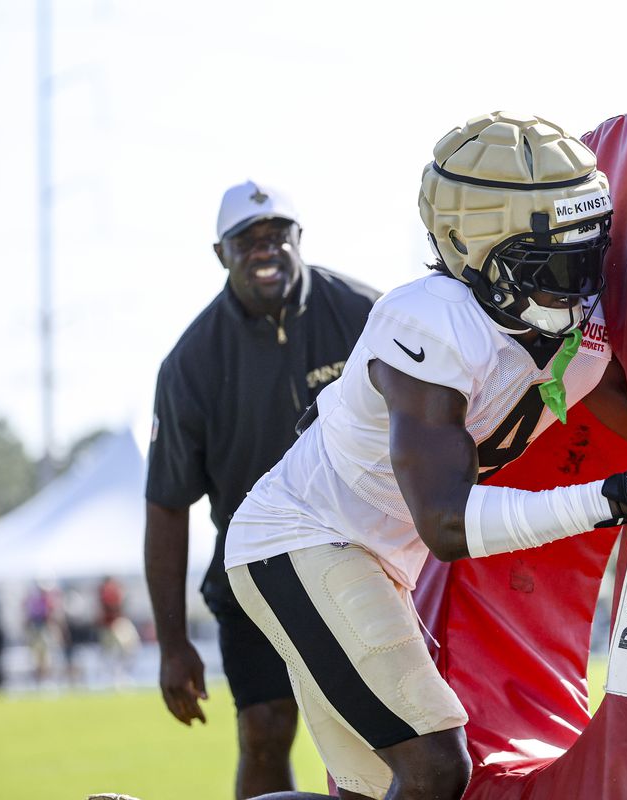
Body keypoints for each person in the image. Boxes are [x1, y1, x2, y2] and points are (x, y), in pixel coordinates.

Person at [223, 112, 627, 800]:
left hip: (375, 555)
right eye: (551, 262)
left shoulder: (577, 317)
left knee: (373, 791)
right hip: (300, 542)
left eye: (589, 255)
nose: (579, 284)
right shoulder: (430, 324)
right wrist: (612, 499)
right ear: (473, 250)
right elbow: (447, 524)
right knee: (435, 767)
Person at [144, 180, 379, 799]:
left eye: (277, 234)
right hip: (256, 569)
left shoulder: (366, 314)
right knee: (265, 731)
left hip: (369, 558)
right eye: (246, 240)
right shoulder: (189, 363)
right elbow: (167, 503)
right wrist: (172, 642)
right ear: (220, 253)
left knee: (382, 732)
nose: (265, 249)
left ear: (299, 237)